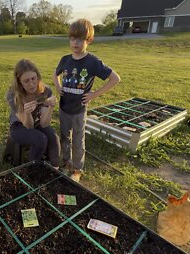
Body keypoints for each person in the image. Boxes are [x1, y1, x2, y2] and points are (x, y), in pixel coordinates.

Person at [53, 18, 121, 182]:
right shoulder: (65, 59)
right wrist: (58, 86)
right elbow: (55, 74)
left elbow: (115, 79)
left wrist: (93, 94)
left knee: (78, 140)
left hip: (79, 111)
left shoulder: (93, 62)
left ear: (88, 40)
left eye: (80, 39)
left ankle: (77, 169)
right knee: (64, 137)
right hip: (64, 108)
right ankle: (67, 163)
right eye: (72, 39)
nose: (75, 43)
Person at [6, 59, 60, 168]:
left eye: (33, 79)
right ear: (19, 82)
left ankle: (55, 168)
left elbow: (44, 124)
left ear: (38, 77)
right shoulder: (13, 95)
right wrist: (27, 113)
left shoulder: (45, 91)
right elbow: (28, 126)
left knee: (53, 137)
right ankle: (32, 170)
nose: (31, 84)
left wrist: (50, 107)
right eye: (26, 81)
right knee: (40, 139)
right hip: (18, 126)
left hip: (37, 123)